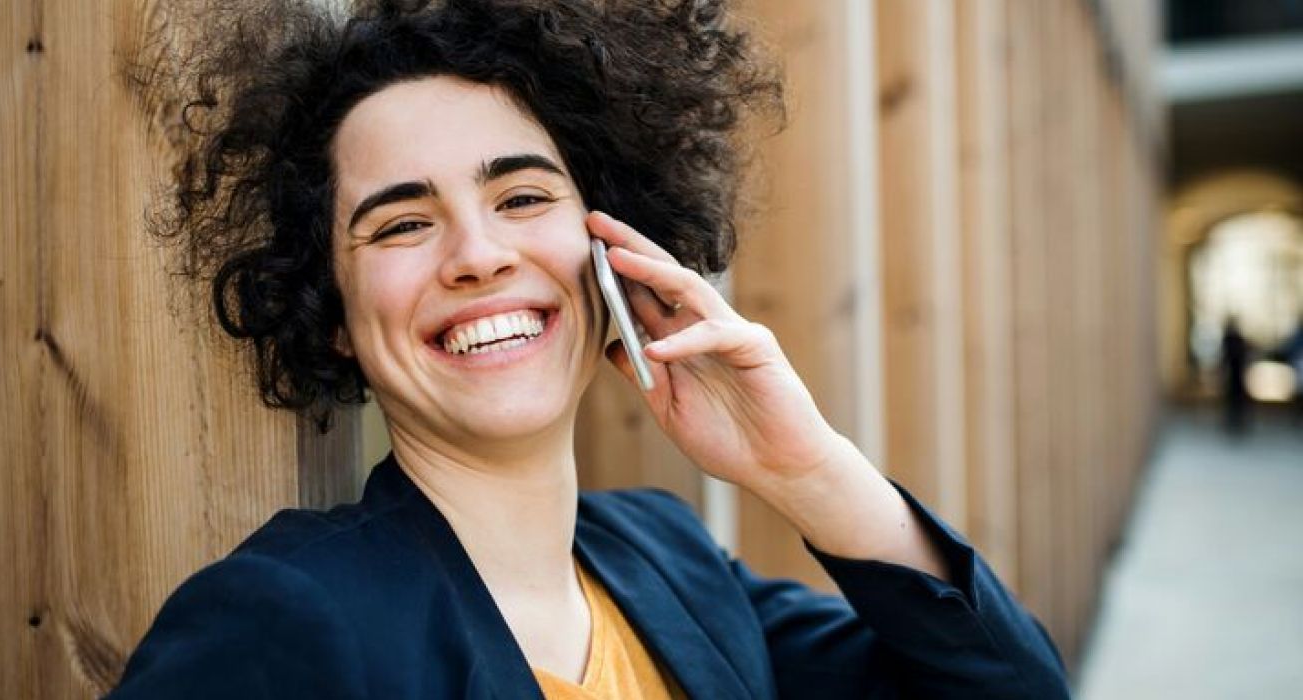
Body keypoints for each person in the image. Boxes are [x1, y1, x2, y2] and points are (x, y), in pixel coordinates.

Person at [108, 0, 1069, 697]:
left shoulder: (674, 560)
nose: (479, 256)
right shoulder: (281, 621)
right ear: (329, 308)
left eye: (522, 198)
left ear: (613, 250)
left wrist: (808, 470)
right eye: (402, 223)